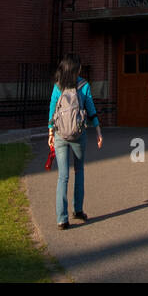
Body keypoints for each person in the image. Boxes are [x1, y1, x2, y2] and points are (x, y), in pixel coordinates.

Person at [48, 54, 102, 229]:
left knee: (62, 176)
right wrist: (98, 129)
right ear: (76, 69)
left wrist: (50, 132)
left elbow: (52, 108)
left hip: (60, 135)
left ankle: (61, 219)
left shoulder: (58, 85)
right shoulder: (83, 85)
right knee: (79, 171)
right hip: (79, 134)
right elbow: (90, 107)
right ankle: (78, 210)